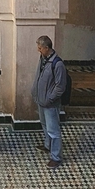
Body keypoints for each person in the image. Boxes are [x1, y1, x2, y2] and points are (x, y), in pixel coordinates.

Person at [31, 35, 67, 171]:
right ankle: (48, 145)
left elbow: (60, 86)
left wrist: (49, 98)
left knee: (53, 130)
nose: (38, 50)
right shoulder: (43, 59)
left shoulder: (57, 64)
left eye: (40, 48)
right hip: (41, 100)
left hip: (50, 103)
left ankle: (56, 157)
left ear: (47, 48)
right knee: (45, 124)